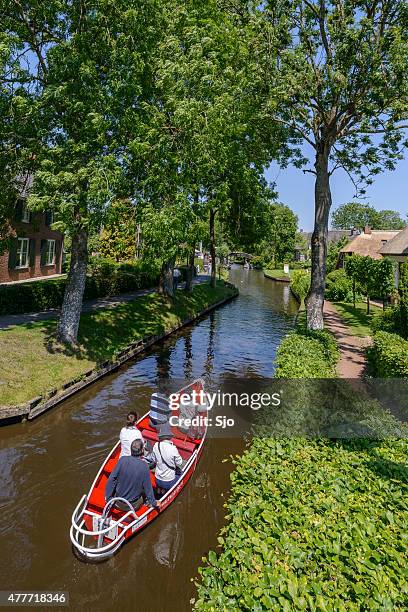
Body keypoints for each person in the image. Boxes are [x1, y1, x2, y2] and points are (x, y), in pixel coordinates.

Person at [105, 439, 160, 511]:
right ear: (142, 450)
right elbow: (148, 488)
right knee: (145, 490)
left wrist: (108, 498)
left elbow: (112, 479)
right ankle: (147, 503)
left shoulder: (122, 460)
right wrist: (154, 503)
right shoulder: (144, 466)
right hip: (133, 505)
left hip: (117, 501)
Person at [153, 423, 184, 492]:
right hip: (168, 482)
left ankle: (160, 490)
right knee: (181, 473)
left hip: (157, 479)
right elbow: (180, 463)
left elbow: (155, 460)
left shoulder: (156, 445)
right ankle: (165, 489)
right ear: (170, 436)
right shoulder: (172, 448)